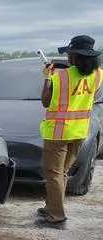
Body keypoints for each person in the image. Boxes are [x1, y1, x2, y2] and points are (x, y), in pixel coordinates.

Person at [36, 35, 101, 229]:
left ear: (74, 56)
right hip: (80, 132)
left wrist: (47, 78)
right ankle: (51, 206)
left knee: (53, 174)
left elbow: (45, 101)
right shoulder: (99, 74)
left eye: (69, 54)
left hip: (58, 133)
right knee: (61, 172)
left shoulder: (60, 76)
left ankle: (56, 217)